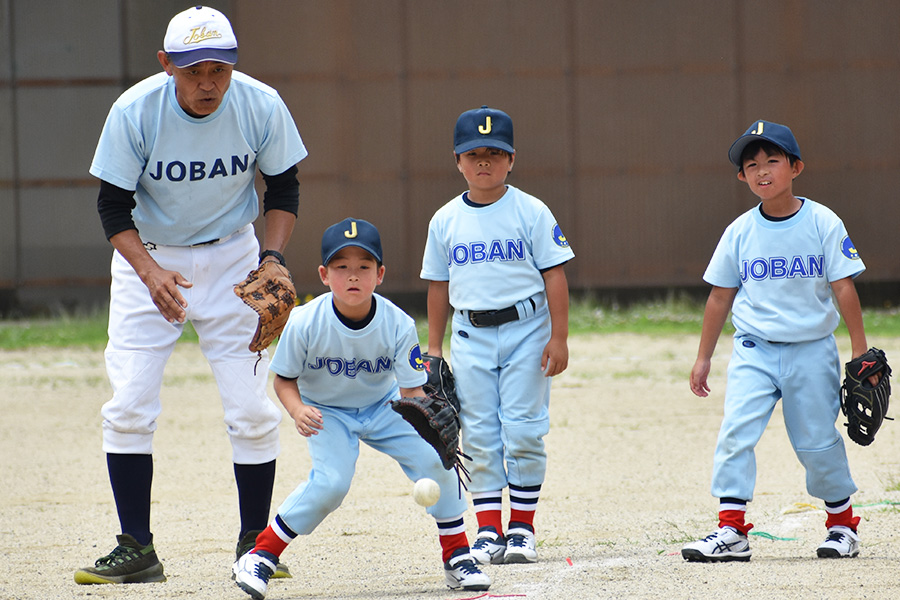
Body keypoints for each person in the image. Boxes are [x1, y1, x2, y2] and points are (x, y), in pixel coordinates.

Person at [75, 6, 307, 585]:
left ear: (233, 65)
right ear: (166, 65)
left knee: (253, 410)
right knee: (128, 403)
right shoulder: (135, 110)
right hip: (146, 260)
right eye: (193, 70)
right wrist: (150, 271)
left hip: (235, 256)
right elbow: (111, 206)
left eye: (219, 69)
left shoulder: (260, 103)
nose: (208, 82)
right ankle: (137, 547)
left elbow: (283, 187)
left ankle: (257, 544)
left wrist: (272, 258)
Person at [233, 218, 492, 599]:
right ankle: (261, 555)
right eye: (341, 267)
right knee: (331, 484)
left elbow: (411, 390)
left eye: (363, 267)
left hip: (384, 406)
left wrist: (432, 426)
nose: (352, 276)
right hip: (327, 411)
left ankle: (457, 556)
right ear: (324, 274)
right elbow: (283, 380)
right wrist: (297, 410)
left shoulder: (398, 324)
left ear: (380, 274)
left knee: (439, 460)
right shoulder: (305, 322)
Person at [682, 120, 879, 562]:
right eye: (751, 165)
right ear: (741, 177)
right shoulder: (740, 231)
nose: (762, 171)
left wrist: (860, 348)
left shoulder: (822, 221)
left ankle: (842, 526)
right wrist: (703, 358)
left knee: (815, 440)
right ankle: (731, 532)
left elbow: (843, 286)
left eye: (773, 161)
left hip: (811, 349)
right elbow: (719, 296)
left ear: (796, 167)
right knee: (735, 433)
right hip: (755, 348)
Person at [420, 106, 574, 565]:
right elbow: (438, 285)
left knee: (524, 429)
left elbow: (554, 275)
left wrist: (559, 336)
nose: (483, 162)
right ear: (458, 160)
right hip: (471, 333)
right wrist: (432, 349)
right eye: (474, 154)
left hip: (529, 329)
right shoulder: (445, 219)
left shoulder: (531, 210)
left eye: (495, 153)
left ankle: (522, 528)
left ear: (511, 159)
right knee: (481, 432)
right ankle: (488, 529)